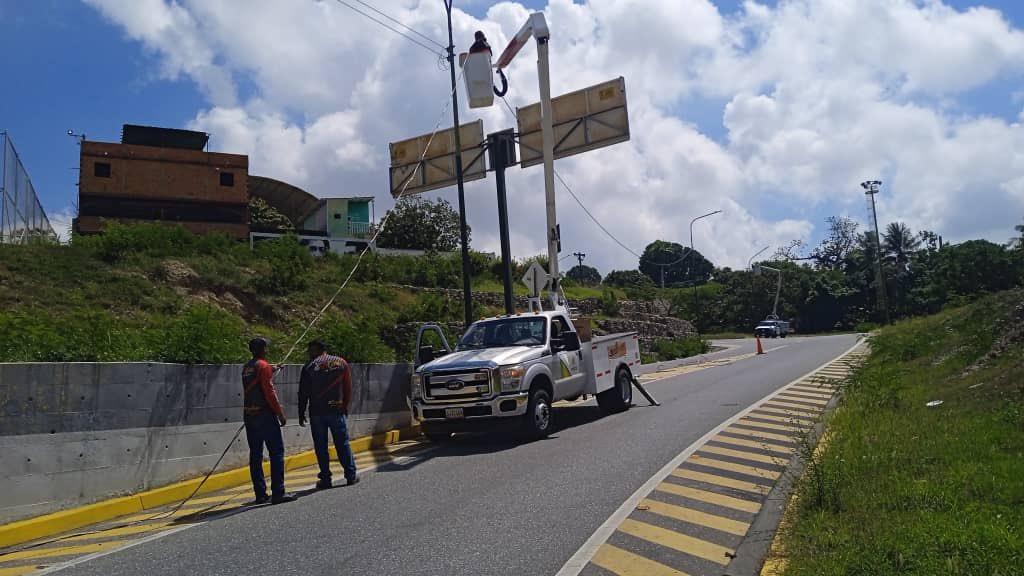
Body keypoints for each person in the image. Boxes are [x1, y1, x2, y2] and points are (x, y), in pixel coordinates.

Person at [241, 337, 295, 505]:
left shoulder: (247, 367)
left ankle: (260, 494)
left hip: (250, 415)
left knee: (255, 455)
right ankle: (278, 492)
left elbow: (260, 378)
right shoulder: (263, 366)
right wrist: (279, 413)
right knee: (276, 452)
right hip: (265, 415)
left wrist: (274, 368)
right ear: (263, 349)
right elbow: (269, 392)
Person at [298, 340, 358, 489]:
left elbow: (303, 393)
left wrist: (301, 412)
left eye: (310, 350)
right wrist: (345, 406)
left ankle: (326, 478)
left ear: (315, 350)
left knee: (321, 446)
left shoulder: (309, 367)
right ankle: (350, 475)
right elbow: (348, 387)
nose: (309, 354)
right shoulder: (341, 363)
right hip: (336, 410)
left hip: (317, 413)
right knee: (342, 443)